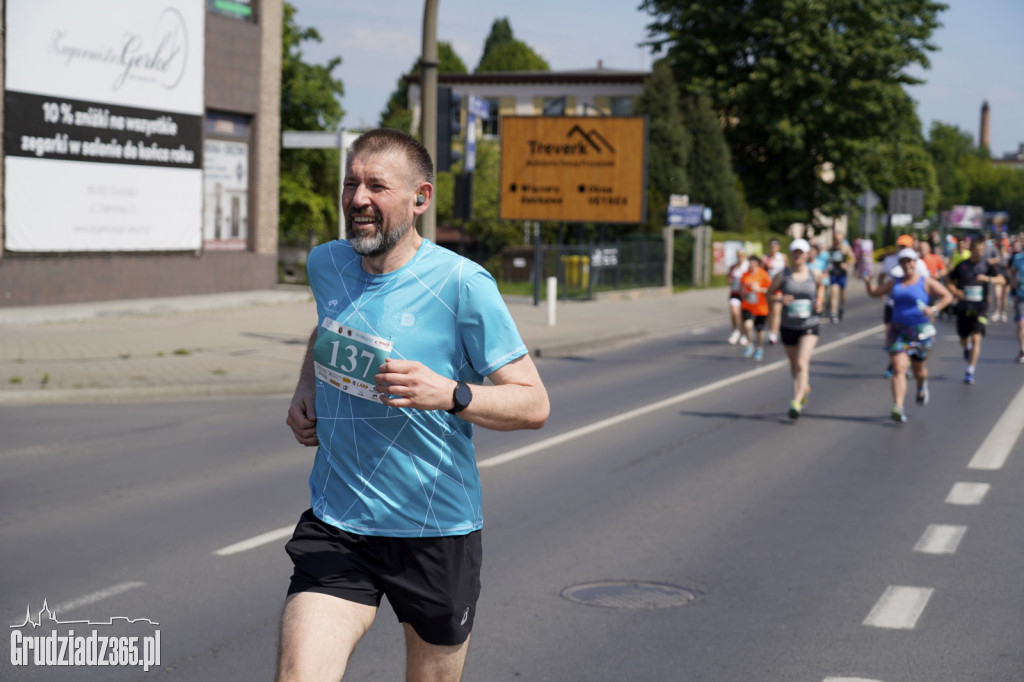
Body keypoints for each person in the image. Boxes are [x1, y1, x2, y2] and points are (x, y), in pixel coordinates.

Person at [278, 129, 550, 682]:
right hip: (339, 522)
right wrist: (306, 384)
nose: (357, 199)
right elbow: (327, 322)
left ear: (419, 198)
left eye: (376, 186)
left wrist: (451, 394)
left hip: (434, 530)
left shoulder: (461, 284)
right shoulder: (327, 263)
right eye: (351, 183)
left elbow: (534, 402)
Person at [864, 248, 954, 422]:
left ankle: (921, 384)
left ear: (915, 262)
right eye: (903, 261)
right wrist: (868, 281)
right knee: (898, 367)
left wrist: (933, 309)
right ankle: (898, 406)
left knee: (919, 369)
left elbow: (947, 296)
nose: (906, 264)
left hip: (919, 332)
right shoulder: (894, 283)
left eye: (909, 261)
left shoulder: (925, 282)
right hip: (898, 331)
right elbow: (875, 293)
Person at [768, 238, 825, 419]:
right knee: (794, 365)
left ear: (807, 254)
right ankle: (804, 388)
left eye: (801, 252)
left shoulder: (814, 274)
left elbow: (821, 287)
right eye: (795, 252)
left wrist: (820, 302)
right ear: (791, 254)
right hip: (788, 325)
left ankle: (796, 401)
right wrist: (780, 299)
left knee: (801, 362)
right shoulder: (782, 275)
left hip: (810, 324)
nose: (798, 255)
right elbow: (769, 293)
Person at [946, 237, 1006, 384]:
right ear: (971, 249)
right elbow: (949, 281)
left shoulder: (986, 266)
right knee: (963, 338)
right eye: (977, 250)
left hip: (980, 307)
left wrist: (988, 279)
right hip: (964, 306)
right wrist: (955, 292)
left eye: (982, 250)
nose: (980, 253)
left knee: (977, 337)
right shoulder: (962, 265)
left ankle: (970, 370)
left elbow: (1002, 280)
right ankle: (967, 348)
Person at [739, 254, 772, 361]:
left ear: (758, 263)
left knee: (760, 330)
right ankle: (749, 344)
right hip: (748, 305)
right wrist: (744, 294)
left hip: (760, 307)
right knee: (747, 325)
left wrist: (760, 290)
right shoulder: (745, 275)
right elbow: (741, 289)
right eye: (750, 262)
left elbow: (770, 290)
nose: (752, 264)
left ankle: (759, 347)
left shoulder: (763, 275)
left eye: (754, 262)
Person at [764, 238, 789, 345]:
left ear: (778, 247)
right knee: (769, 311)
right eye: (771, 245)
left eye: (775, 245)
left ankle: (774, 334)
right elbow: (761, 272)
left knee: (776, 310)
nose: (773, 248)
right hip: (768, 287)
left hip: (779, 286)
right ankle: (771, 330)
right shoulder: (765, 258)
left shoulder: (783, 257)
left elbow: (787, 270)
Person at [826, 233, 855, 323]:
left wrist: (847, 264)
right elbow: (826, 259)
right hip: (833, 273)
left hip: (842, 274)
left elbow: (853, 259)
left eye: (839, 239)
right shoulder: (831, 249)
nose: (837, 241)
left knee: (842, 293)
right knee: (834, 292)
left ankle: (841, 307)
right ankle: (833, 313)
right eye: (835, 239)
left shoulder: (845, 248)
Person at [727, 250, 750, 345]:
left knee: (743, 315)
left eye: (742, 256)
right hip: (735, 293)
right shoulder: (733, 267)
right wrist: (731, 280)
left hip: (745, 294)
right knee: (734, 312)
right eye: (739, 256)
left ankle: (744, 334)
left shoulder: (748, 266)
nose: (740, 258)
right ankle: (735, 331)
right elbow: (729, 278)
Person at [1007, 241, 1024, 363]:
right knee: (1021, 324)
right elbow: (1012, 272)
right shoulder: (1018, 258)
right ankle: (1022, 350)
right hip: (1020, 295)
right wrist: (1013, 282)